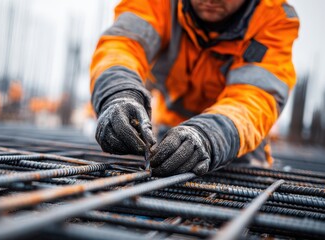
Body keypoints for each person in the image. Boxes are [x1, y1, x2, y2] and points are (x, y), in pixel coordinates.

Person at [90, 0, 299, 176]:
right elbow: (122, 46)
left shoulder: (273, 18)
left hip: (236, 146)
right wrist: (118, 92)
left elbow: (255, 97)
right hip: (167, 135)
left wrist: (210, 135)